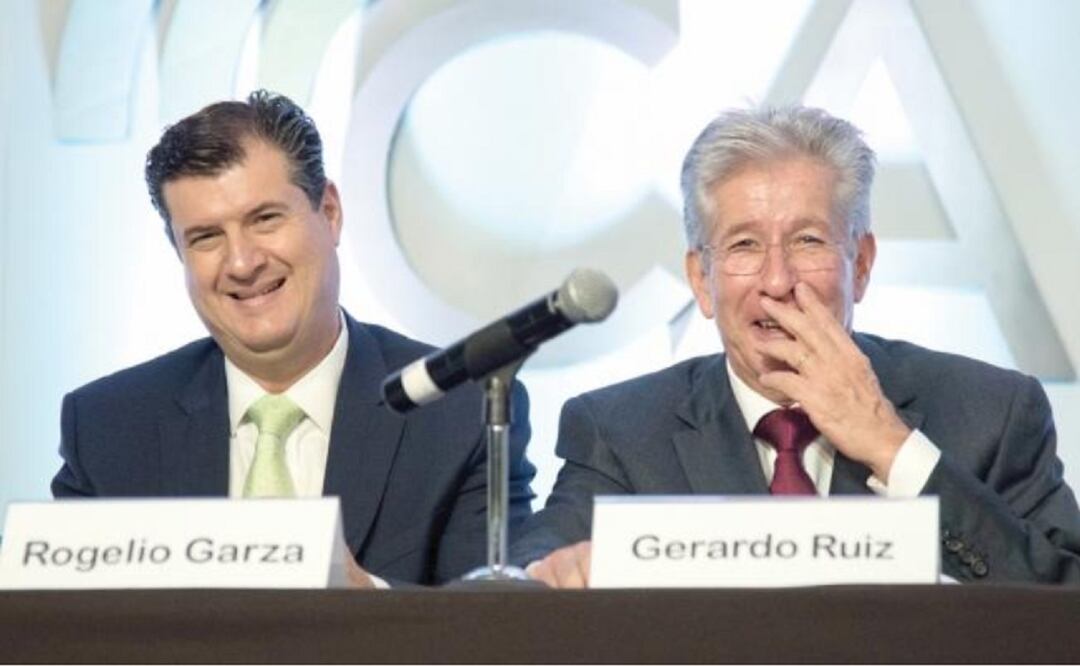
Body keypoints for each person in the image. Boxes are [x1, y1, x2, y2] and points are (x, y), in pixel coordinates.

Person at [512, 105, 1080, 586]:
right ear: (700, 278)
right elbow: (522, 581)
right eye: (744, 245)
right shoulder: (622, 431)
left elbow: (1062, 605)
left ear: (859, 264)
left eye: (808, 240)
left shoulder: (993, 413)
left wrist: (891, 445)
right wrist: (557, 574)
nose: (777, 280)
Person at [51, 90, 535, 586]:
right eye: (206, 238)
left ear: (329, 212)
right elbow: (58, 635)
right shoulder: (107, 426)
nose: (242, 263)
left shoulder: (459, 412)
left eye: (265, 219)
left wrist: (365, 597)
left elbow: (490, 629)